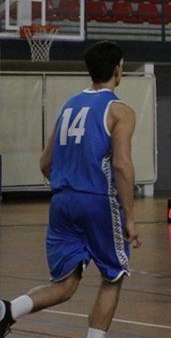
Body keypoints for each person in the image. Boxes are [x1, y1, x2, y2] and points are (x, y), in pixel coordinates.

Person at [1, 41, 140, 338]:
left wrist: (69, 187)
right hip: (97, 201)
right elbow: (122, 166)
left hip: (62, 201)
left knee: (65, 284)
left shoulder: (69, 105)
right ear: (119, 69)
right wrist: (129, 216)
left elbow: (45, 162)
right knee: (113, 276)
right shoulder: (119, 110)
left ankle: (9, 311)